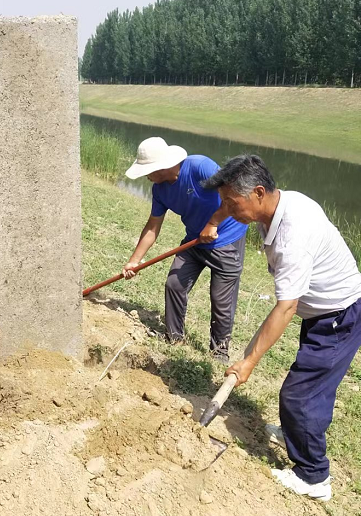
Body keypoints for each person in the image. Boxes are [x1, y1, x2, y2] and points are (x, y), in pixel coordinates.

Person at [203, 154, 361, 501]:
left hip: (339, 316)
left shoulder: (293, 234)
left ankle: (313, 476)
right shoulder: (276, 206)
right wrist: (217, 216)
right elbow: (291, 303)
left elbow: (286, 306)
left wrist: (248, 362)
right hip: (322, 311)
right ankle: (297, 433)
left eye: (232, 203)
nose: (228, 210)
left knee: (300, 395)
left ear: (258, 192)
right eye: (224, 203)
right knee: (313, 387)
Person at [123, 137, 248, 363]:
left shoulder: (200, 166)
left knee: (221, 299)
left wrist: (213, 224)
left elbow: (233, 195)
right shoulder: (159, 190)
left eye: (148, 170)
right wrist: (135, 261)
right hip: (194, 239)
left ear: (162, 167)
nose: (146, 176)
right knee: (174, 284)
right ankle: (175, 338)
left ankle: (219, 353)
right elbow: (153, 226)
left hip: (226, 238)